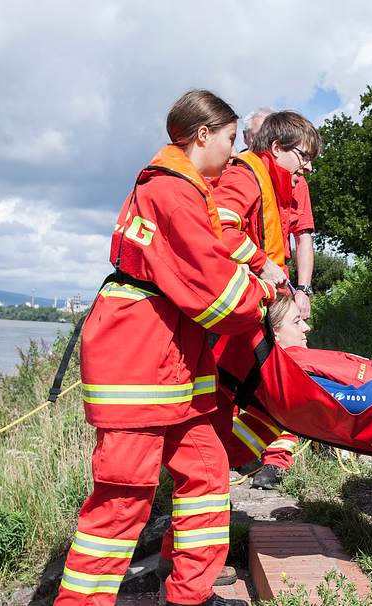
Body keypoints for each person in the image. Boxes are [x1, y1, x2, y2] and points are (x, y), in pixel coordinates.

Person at [54, 90, 274, 606]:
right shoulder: (172, 193)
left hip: (170, 362)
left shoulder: (183, 187)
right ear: (203, 135)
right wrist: (263, 293)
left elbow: (214, 251)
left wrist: (257, 268)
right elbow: (216, 291)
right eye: (229, 138)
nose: (234, 150)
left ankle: (190, 595)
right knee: (123, 499)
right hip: (140, 361)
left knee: (206, 471)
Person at [214, 111, 322, 489]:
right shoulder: (246, 175)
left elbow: (300, 237)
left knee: (276, 384)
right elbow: (219, 230)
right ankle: (215, 467)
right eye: (304, 156)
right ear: (276, 147)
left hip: (265, 296)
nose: (308, 167)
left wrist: (298, 293)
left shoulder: (279, 180)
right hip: (245, 303)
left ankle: (249, 462)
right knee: (253, 386)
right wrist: (262, 265)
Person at [218, 293, 372, 472]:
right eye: (296, 321)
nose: (307, 328)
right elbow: (358, 402)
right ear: (275, 334)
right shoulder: (295, 373)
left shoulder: (284, 371)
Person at [243, 108, 317, 320]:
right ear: (246, 138)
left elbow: (303, 237)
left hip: (278, 280)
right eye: (258, 135)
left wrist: (303, 289)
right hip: (249, 280)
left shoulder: (297, 182)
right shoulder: (239, 174)